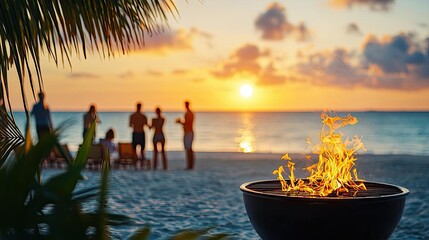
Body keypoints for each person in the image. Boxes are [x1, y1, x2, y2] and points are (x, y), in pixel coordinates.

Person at [176, 101, 195, 170]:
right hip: (187, 132)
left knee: (189, 149)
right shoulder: (188, 113)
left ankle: (190, 165)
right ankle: (189, 165)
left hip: (189, 132)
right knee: (188, 149)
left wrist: (180, 122)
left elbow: (188, 123)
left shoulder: (189, 113)